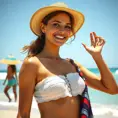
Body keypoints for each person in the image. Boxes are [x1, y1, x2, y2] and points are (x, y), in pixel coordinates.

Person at [17, 2, 118, 118]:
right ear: (43, 27)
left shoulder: (73, 65)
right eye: (56, 24)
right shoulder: (32, 64)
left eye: (67, 26)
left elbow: (112, 89)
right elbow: (23, 114)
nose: (62, 31)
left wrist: (97, 57)